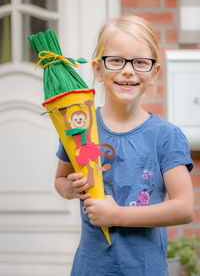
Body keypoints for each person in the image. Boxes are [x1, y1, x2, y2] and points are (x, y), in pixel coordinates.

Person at [55, 14, 194, 276]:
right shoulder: (81, 127)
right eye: (116, 60)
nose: (128, 70)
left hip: (144, 270)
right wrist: (71, 188)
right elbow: (60, 181)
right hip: (90, 269)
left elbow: (184, 208)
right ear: (98, 69)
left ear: (154, 73)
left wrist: (116, 215)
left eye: (140, 62)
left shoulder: (166, 136)